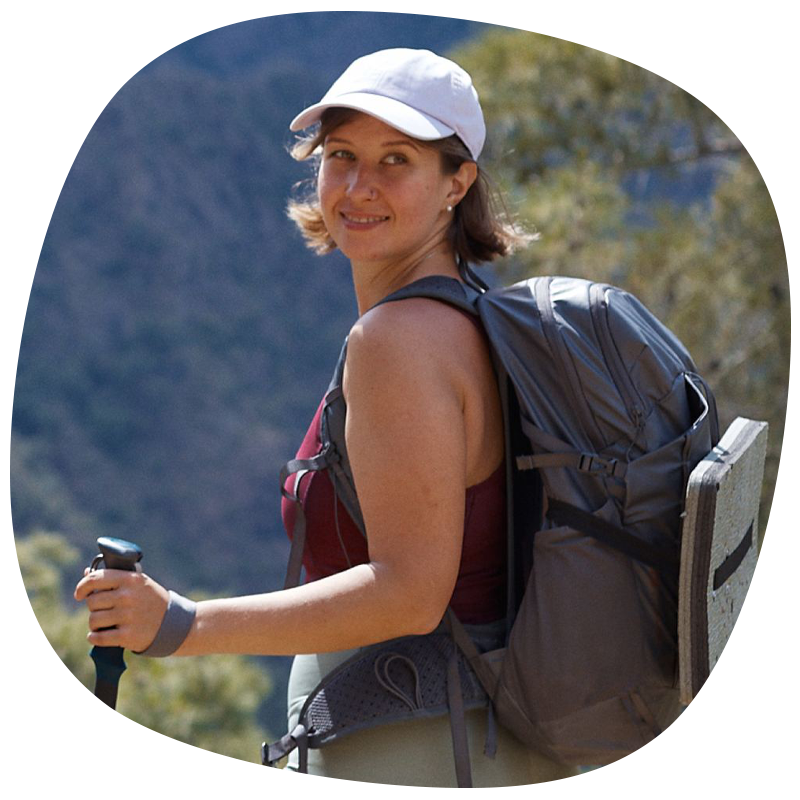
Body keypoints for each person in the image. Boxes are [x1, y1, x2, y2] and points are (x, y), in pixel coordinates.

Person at [74, 48, 582, 788]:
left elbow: (410, 593)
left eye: (396, 160)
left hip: (413, 752)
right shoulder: (473, 321)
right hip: (486, 745)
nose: (358, 185)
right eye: (341, 154)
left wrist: (181, 625)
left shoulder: (398, 342)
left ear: (457, 183)